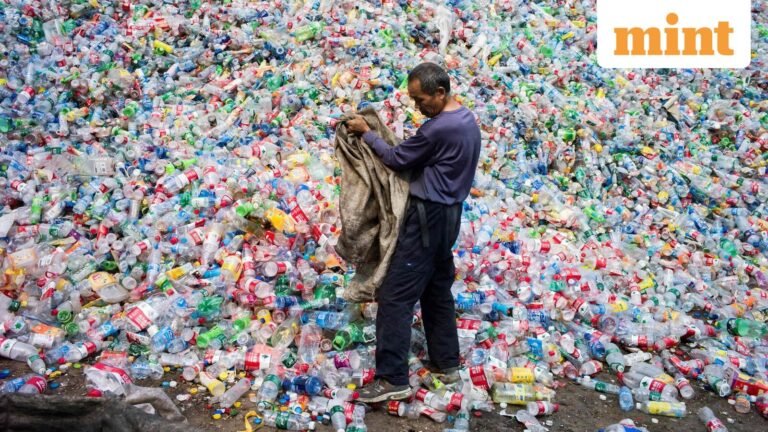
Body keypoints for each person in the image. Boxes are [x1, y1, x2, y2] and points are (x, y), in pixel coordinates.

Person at [345, 62, 482, 403]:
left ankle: (392, 378)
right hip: (450, 215)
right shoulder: (466, 119)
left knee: (395, 295)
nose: (417, 106)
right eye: (413, 99)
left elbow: (395, 158)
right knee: (436, 290)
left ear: (440, 92)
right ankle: (446, 363)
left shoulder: (438, 129)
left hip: (426, 218)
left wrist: (367, 132)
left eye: (422, 100)